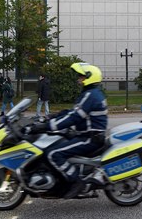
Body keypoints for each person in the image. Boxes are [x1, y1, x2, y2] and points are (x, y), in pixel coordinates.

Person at [24, 62, 108, 199]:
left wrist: (47, 126)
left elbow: (74, 117)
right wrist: (55, 116)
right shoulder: (92, 93)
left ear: (89, 77)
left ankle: (76, 181)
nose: (78, 79)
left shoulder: (90, 95)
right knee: (56, 142)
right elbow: (73, 112)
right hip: (87, 135)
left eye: (81, 76)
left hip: (89, 138)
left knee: (53, 153)